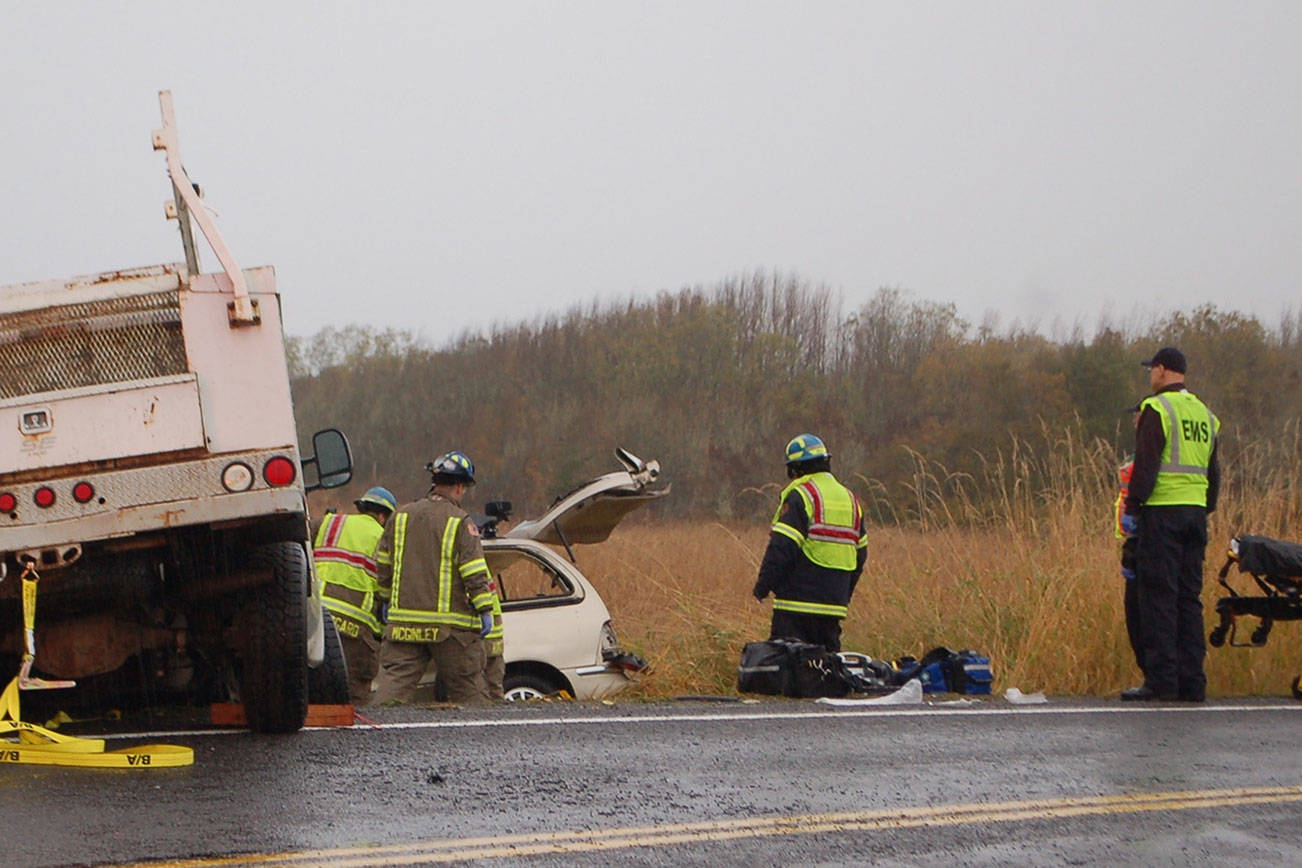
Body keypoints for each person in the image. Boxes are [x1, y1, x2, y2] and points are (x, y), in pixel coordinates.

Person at [1121, 347, 1220, 702]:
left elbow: (1146, 465)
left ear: (1162, 371)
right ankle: (1193, 682)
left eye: (1153, 369)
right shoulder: (1205, 414)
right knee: (1188, 599)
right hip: (1195, 514)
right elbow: (1214, 472)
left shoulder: (1156, 409)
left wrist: (1133, 507)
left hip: (1162, 513)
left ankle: (1162, 680)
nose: (1151, 375)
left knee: (1158, 596)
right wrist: (1203, 508)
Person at [371, 451, 498, 705]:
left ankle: (374, 740)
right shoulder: (461, 522)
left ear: (435, 482)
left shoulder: (401, 516)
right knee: (471, 693)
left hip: (403, 627)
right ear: (460, 487)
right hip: (450, 631)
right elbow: (473, 571)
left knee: (391, 694)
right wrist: (485, 608)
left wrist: (382, 601)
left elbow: (383, 565)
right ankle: (484, 743)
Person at [752, 434, 868, 652]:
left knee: (790, 670)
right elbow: (860, 555)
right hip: (834, 605)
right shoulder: (850, 499)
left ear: (795, 469)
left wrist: (763, 586)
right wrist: (843, 592)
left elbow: (782, 548)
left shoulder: (801, 496)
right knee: (826, 673)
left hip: (796, 606)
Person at [312, 486, 397, 705]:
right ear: (382, 516)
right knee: (353, 687)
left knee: (310, 679)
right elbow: (389, 584)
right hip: (355, 624)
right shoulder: (383, 536)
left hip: (317, 615)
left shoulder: (331, 522)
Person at [1113, 453, 1144, 678]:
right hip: (1135, 545)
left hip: (1145, 544)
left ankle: (1159, 677)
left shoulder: (1143, 464)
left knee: (1141, 615)